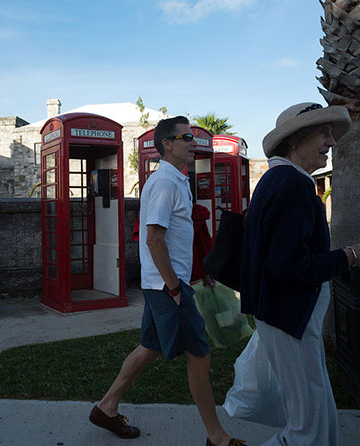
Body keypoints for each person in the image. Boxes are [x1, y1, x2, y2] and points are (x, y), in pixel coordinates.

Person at [89, 116, 245, 446]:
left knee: (151, 346)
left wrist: (197, 273)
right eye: (185, 136)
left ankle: (107, 407)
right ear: (167, 145)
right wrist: (175, 286)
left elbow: (175, 239)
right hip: (167, 286)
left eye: (192, 136)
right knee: (199, 356)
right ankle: (217, 437)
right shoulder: (164, 184)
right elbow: (154, 240)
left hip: (165, 283)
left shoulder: (176, 181)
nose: (192, 141)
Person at [240, 102, 360, 446]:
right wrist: (349, 256)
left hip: (285, 316)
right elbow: (289, 265)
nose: (331, 142)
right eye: (323, 132)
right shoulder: (293, 184)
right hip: (289, 317)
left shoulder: (279, 180)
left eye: (331, 134)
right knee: (307, 429)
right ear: (294, 140)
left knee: (317, 416)